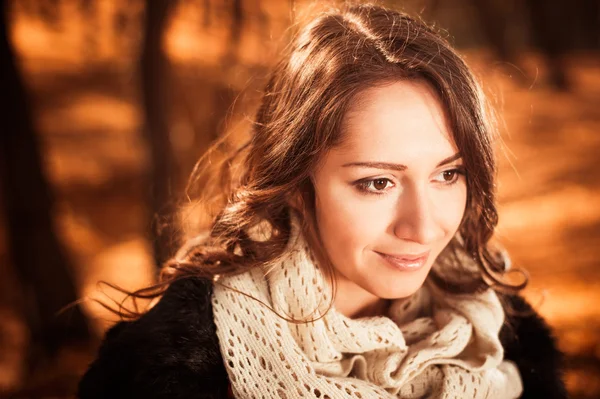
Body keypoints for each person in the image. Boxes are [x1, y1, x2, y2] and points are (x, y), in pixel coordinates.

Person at [78, 3, 567, 398]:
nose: (423, 226)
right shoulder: (176, 365)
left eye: (448, 173)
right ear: (296, 180)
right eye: (378, 182)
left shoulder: (502, 336)